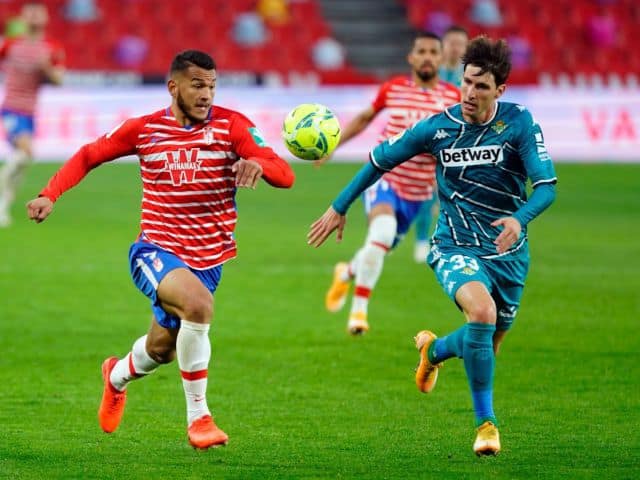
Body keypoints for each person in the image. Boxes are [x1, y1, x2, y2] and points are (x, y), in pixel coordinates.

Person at [27, 50, 295, 449]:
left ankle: (115, 375)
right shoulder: (144, 129)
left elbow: (285, 175)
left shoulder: (233, 126)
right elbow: (89, 155)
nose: (206, 94)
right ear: (174, 87)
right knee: (199, 307)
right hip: (154, 251)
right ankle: (199, 418)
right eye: (197, 85)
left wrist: (260, 165)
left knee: (161, 349)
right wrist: (50, 193)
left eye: (212, 85)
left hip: (207, 259)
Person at [308, 36, 557, 455]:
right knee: (482, 313)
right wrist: (338, 206)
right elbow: (378, 160)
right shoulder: (438, 126)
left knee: (488, 342)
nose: (470, 93)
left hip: (509, 253)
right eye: (467, 83)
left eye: (482, 86)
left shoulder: (519, 123)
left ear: (500, 90)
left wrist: (519, 218)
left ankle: (434, 350)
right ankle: (486, 426)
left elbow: (546, 187)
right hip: (454, 245)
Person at [319, 32, 460, 335]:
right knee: (381, 233)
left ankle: (347, 272)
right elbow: (364, 118)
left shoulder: (453, 98)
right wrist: (334, 145)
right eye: (420, 51)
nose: (426, 57)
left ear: (441, 58)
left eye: (432, 52)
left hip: (418, 193)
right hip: (384, 179)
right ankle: (358, 313)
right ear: (411, 57)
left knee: (377, 249)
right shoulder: (394, 89)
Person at [0, 3, 64, 227]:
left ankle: (3, 203)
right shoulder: (11, 44)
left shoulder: (51, 48)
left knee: (23, 159)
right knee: (26, 151)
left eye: (39, 12)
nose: (35, 17)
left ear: (46, 18)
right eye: (31, 12)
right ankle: (2, 204)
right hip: (10, 107)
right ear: (23, 17)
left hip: (30, 111)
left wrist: (46, 68)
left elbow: (59, 80)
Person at [412, 25, 470, 263]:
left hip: (459, 142)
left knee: (457, 194)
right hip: (432, 141)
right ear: (443, 46)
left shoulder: (469, 76)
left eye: (460, 43)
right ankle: (421, 241)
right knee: (428, 192)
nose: (455, 48)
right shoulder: (429, 73)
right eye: (451, 43)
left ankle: (457, 239)